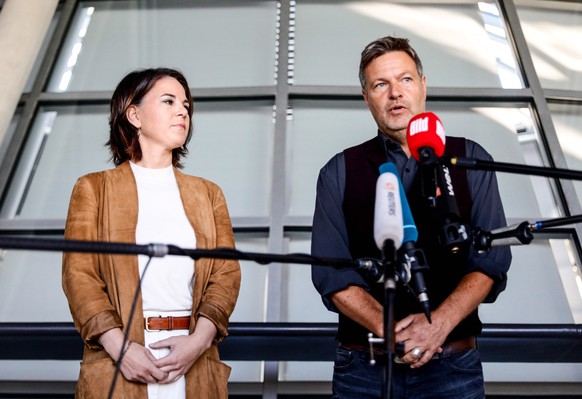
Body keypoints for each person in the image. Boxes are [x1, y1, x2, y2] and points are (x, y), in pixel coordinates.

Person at [311, 36, 512, 398]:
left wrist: (438, 325)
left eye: (404, 79)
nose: (395, 93)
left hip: (453, 365)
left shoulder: (470, 159)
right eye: (380, 84)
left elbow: (491, 260)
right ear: (366, 97)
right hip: (364, 369)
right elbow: (331, 273)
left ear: (422, 85)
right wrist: (391, 329)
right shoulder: (338, 172)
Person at [62, 68, 241, 399]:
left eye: (186, 105)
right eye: (169, 101)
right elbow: (79, 275)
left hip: (194, 362)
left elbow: (226, 274)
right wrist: (121, 348)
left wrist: (198, 341)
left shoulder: (208, 194)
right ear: (134, 114)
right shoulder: (94, 189)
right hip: (122, 362)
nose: (183, 111)